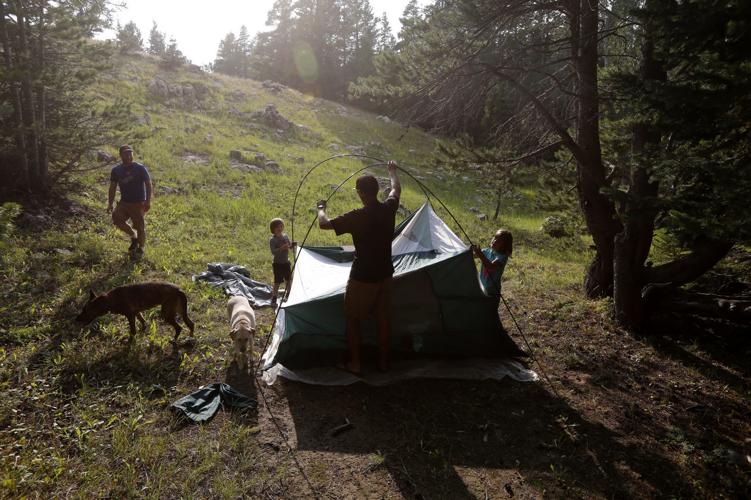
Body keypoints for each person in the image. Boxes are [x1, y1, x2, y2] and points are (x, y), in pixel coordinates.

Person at [317, 161, 401, 374]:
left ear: (361, 193)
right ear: (376, 191)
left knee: (353, 319)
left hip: (363, 276)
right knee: (383, 319)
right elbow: (396, 188)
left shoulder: (357, 216)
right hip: (386, 273)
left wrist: (321, 209)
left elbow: (324, 224)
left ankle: (355, 364)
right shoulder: (389, 208)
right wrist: (392, 171)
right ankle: (383, 363)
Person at [108, 145, 152, 257]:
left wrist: (148, 201)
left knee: (139, 226)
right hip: (124, 202)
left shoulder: (140, 168)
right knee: (117, 218)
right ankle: (134, 236)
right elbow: (112, 187)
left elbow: (148, 185)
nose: (128, 155)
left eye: (130, 153)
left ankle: (141, 249)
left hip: (138, 202)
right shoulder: (116, 170)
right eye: (125, 153)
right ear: (121, 155)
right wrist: (110, 203)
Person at [471, 229, 513, 301]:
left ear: (505, 246)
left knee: (491, 308)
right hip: (482, 285)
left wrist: (480, 254)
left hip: (493, 290)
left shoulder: (502, 257)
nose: (495, 241)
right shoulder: (486, 251)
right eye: (495, 237)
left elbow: (490, 266)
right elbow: (473, 256)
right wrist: (471, 250)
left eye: (499, 241)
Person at [269, 218, 296, 305]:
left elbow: (289, 246)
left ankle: (288, 294)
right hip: (277, 264)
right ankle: (274, 297)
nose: (280, 228)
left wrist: (292, 245)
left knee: (288, 280)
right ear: (273, 229)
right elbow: (273, 252)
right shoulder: (272, 240)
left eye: (281, 226)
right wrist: (281, 248)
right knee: (277, 281)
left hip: (286, 263)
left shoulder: (285, 236)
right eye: (277, 227)